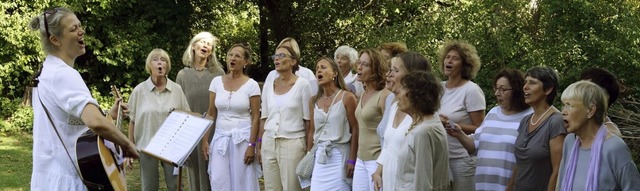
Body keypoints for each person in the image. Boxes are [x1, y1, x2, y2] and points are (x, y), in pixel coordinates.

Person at [28, 7, 139, 190]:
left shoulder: (46, 71)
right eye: (73, 29)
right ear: (55, 40)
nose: (82, 31)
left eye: (80, 26)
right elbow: (95, 123)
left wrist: (108, 116)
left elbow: (67, 122)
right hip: (68, 179)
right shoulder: (64, 74)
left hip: (49, 179)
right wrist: (127, 145)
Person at [446, 68, 532, 190]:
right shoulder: (493, 113)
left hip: (510, 187)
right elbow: (474, 145)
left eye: (503, 89)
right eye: (496, 88)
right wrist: (459, 134)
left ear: (517, 90)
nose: (497, 93)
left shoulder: (530, 117)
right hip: (483, 185)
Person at [557, 81, 640, 191]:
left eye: (570, 106)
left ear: (591, 110)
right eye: (564, 106)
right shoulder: (569, 142)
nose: (563, 112)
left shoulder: (614, 147)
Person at [200, 43, 261, 191]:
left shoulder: (252, 85)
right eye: (230, 55)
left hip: (243, 140)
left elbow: (256, 118)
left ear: (245, 62)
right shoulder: (216, 82)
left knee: (242, 182)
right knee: (218, 179)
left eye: (237, 56)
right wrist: (205, 139)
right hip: (220, 139)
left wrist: (252, 146)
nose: (232, 58)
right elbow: (211, 113)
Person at [128, 48, 190, 191]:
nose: (159, 63)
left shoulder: (177, 89)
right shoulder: (139, 90)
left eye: (163, 60)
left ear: (167, 66)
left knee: (175, 186)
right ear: (149, 65)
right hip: (147, 146)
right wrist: (129, 146)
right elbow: (132, 120)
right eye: (155, 60)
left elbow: (186, 117)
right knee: (149, 186)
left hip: (172, 147)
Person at [371, 52, 431, 191]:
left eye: (395, 70)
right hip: (388, 182)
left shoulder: (422, 115)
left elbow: (425, 166)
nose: (388, 75)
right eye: (390, 69)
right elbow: (388, 146)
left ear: (412, 76)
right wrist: (378, 172)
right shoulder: (394, 106)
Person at [257, 45, 312, 191]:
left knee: (291, 187)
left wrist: (308, 149)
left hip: (292, 144)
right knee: (271, 187)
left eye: (281, 56)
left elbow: (308, 121)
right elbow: (264, 118)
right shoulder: (269, 85)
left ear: (293, 61)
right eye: (275, 56)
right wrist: (259, 143)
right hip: (269, 142)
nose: (277, 59)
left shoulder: (303, 85)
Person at [175, 31, 225, 191]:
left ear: (211, 51)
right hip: (191, 132)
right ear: (194, 46)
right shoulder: (183, 75)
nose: (205, 45)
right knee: (195, 176)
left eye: (209, 44)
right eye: (202, 42)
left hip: (215, 131)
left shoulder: (218, 74)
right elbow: (179, 107)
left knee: (215, 176)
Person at [436, 40, 485, 191]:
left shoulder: (471, 90)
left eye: (455, 58)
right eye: (447, 57)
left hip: (462, 159)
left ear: (465, 65)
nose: (449, 61)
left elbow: (479, 129)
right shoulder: (439, 87)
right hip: (440, 158)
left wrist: (449, 123)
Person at [510, 66, 566, 191]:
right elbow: (519, 164)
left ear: (548, 89)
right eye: (525, 82)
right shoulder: (526, 120)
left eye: (532, 83)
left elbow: (558, 170)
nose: (525, 87)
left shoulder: (556, 121)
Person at [308, 57, 359, 190]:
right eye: (317, 68)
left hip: (339, 156)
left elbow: (355, 129)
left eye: (323, 67)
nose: (319, 70)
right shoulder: (313, 101)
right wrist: (309, 155)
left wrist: (352, 159)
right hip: (319, 157)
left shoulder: (347, 97)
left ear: (335, 73)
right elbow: (311, 131)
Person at [394, 71, 450, 190]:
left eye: (403, 88)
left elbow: (423, 183)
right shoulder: (427, 122)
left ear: (415, 95)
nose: (397, 92)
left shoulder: (424, 131)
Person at [352, 48, 391, 191]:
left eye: (365, 64)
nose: (359, 67)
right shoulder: (362, 93)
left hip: (377, 160)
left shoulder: (385, 95)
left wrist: (380, 167)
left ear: (376, 69)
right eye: (359, 63)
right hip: (360, 160)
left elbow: (390, 133)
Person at [580, 68, 623, 136]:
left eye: (585, 90)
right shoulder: (576, 127)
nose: (576, 93)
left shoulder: (610, 136)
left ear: (604, 97)